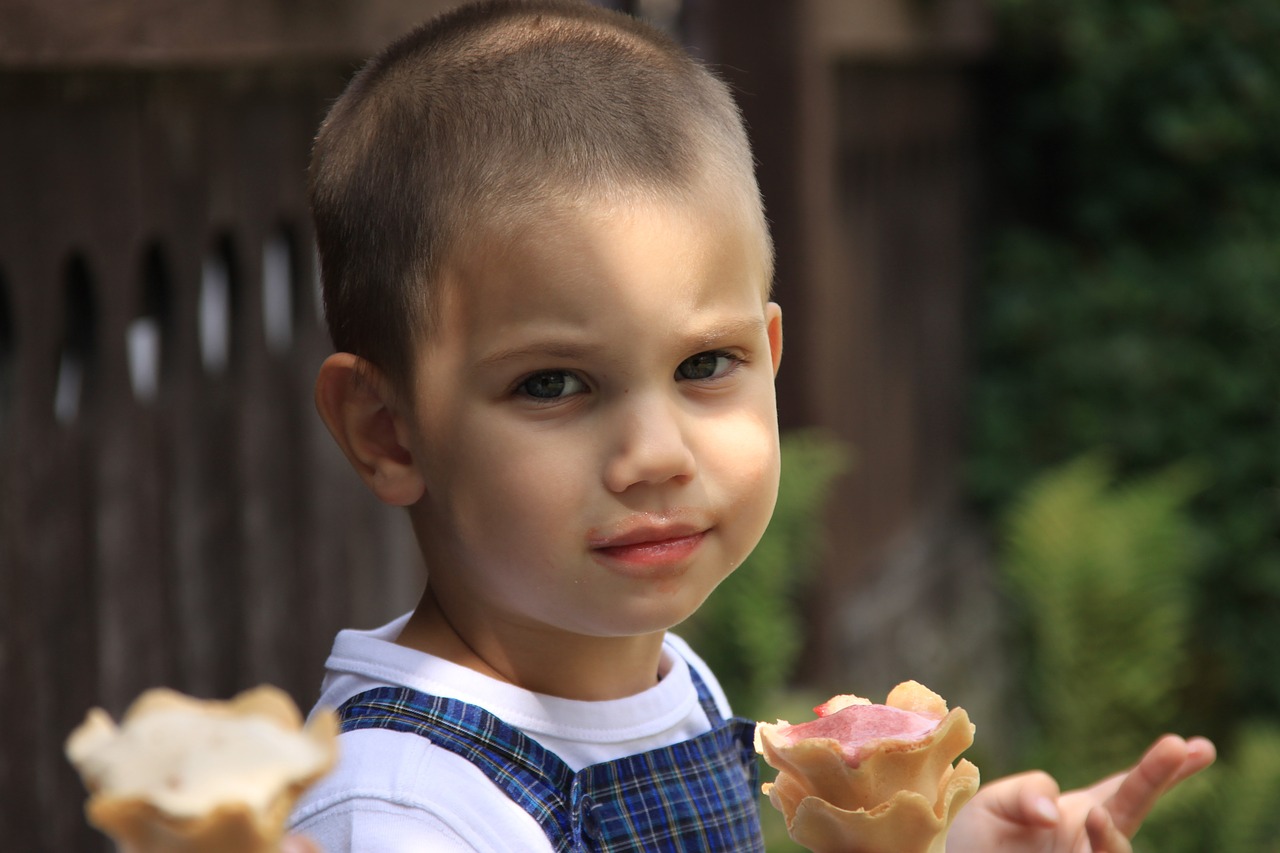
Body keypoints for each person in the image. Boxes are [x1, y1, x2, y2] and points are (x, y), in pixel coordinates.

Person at [287, 1, 1214, 850]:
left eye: (703, 366)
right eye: (554, 383)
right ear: (388, 431)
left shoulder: (675, 687)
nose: (655, 455)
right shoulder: (403, 809)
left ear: (770, 353)